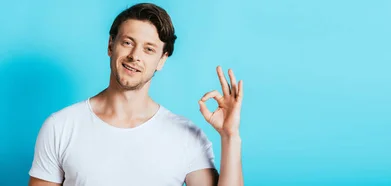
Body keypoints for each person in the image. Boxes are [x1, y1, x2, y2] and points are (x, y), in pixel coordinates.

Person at [28, 3, 244, 186]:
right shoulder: (60, 126)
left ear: (162, 60)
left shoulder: (187, 136)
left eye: (149, 49)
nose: (134, 56)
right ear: (111, 45)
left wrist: (230, 136)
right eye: (128, 42)